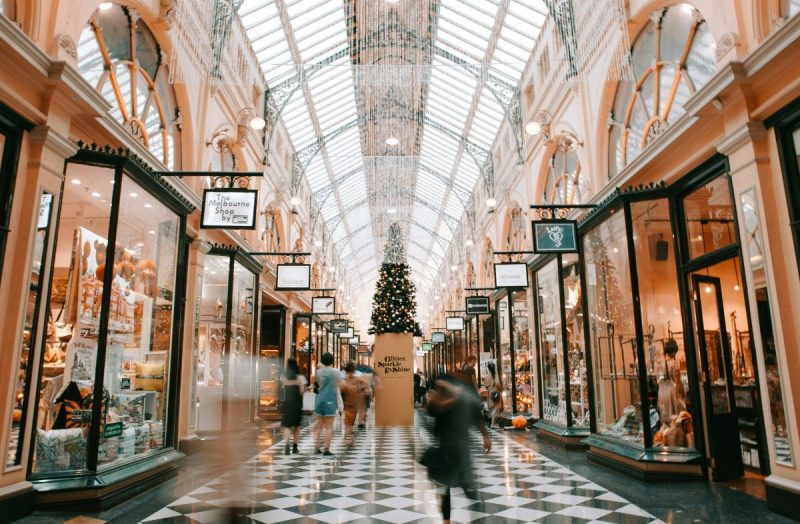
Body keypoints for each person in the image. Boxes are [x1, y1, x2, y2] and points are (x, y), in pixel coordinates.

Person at [425, 374, 492, 524]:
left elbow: (477, 417)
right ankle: (449, 520)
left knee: (456, 488)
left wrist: (486, 436)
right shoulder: (454, 397)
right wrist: (485, 436)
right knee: (459, 488)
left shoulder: (454, 398)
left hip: (453, 449)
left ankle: (451, 520)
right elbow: (433, 410)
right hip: (454, 449)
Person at [314, 352, 340, 456]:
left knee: (319, 426)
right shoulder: (336, 372)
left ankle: (317, 447)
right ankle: (326, 449)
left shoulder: (318, 372)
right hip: (330, 400)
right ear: (332, 361)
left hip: (319, 399)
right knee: (329, 427)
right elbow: (338, 385)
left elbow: (318, 384)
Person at [340, 361, 370, 446]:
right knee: (349, 423)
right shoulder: (352, 379)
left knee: (348, 423)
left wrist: (364, 391)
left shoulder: (346, 380)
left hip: (350, 403)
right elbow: (366, 384)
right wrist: (364, 391)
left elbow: (366, 385)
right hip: (350, 403)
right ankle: (349, 440)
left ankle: (348, 439)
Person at [280, 357, 306, 455]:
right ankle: (295, 447)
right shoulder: (300, 378)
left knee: (287, 426)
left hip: (287, 403)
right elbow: (302, 391)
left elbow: (282, 389)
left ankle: (286, 445)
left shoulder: (284, 377)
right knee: (296, 426)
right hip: (297, 404)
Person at [484, 361, 503, 428]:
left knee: (492, 408)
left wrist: (490, 387)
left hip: (490, 392)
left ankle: (493, 423)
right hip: (496, 392)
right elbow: (498, 384)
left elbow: (486, 386)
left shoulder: (487, 376)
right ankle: (493, 423)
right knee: (496, 408)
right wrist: (500, 389)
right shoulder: (495, 375)